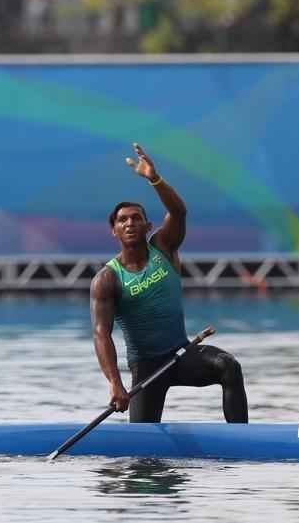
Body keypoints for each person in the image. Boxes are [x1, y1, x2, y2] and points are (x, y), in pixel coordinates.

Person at [90, 143, 249, 423]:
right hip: (147, 368)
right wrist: (115, 383)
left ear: (148, 226)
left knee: (229, 366)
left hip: (182, 354)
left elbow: (178, 212)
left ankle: (242, 437)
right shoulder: (107, 279)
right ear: (114, 230)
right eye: (122, 220)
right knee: (141, 444)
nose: (130, 223)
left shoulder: (163, 247)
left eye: (136, 218)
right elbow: (101, 334)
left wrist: (155, 179)